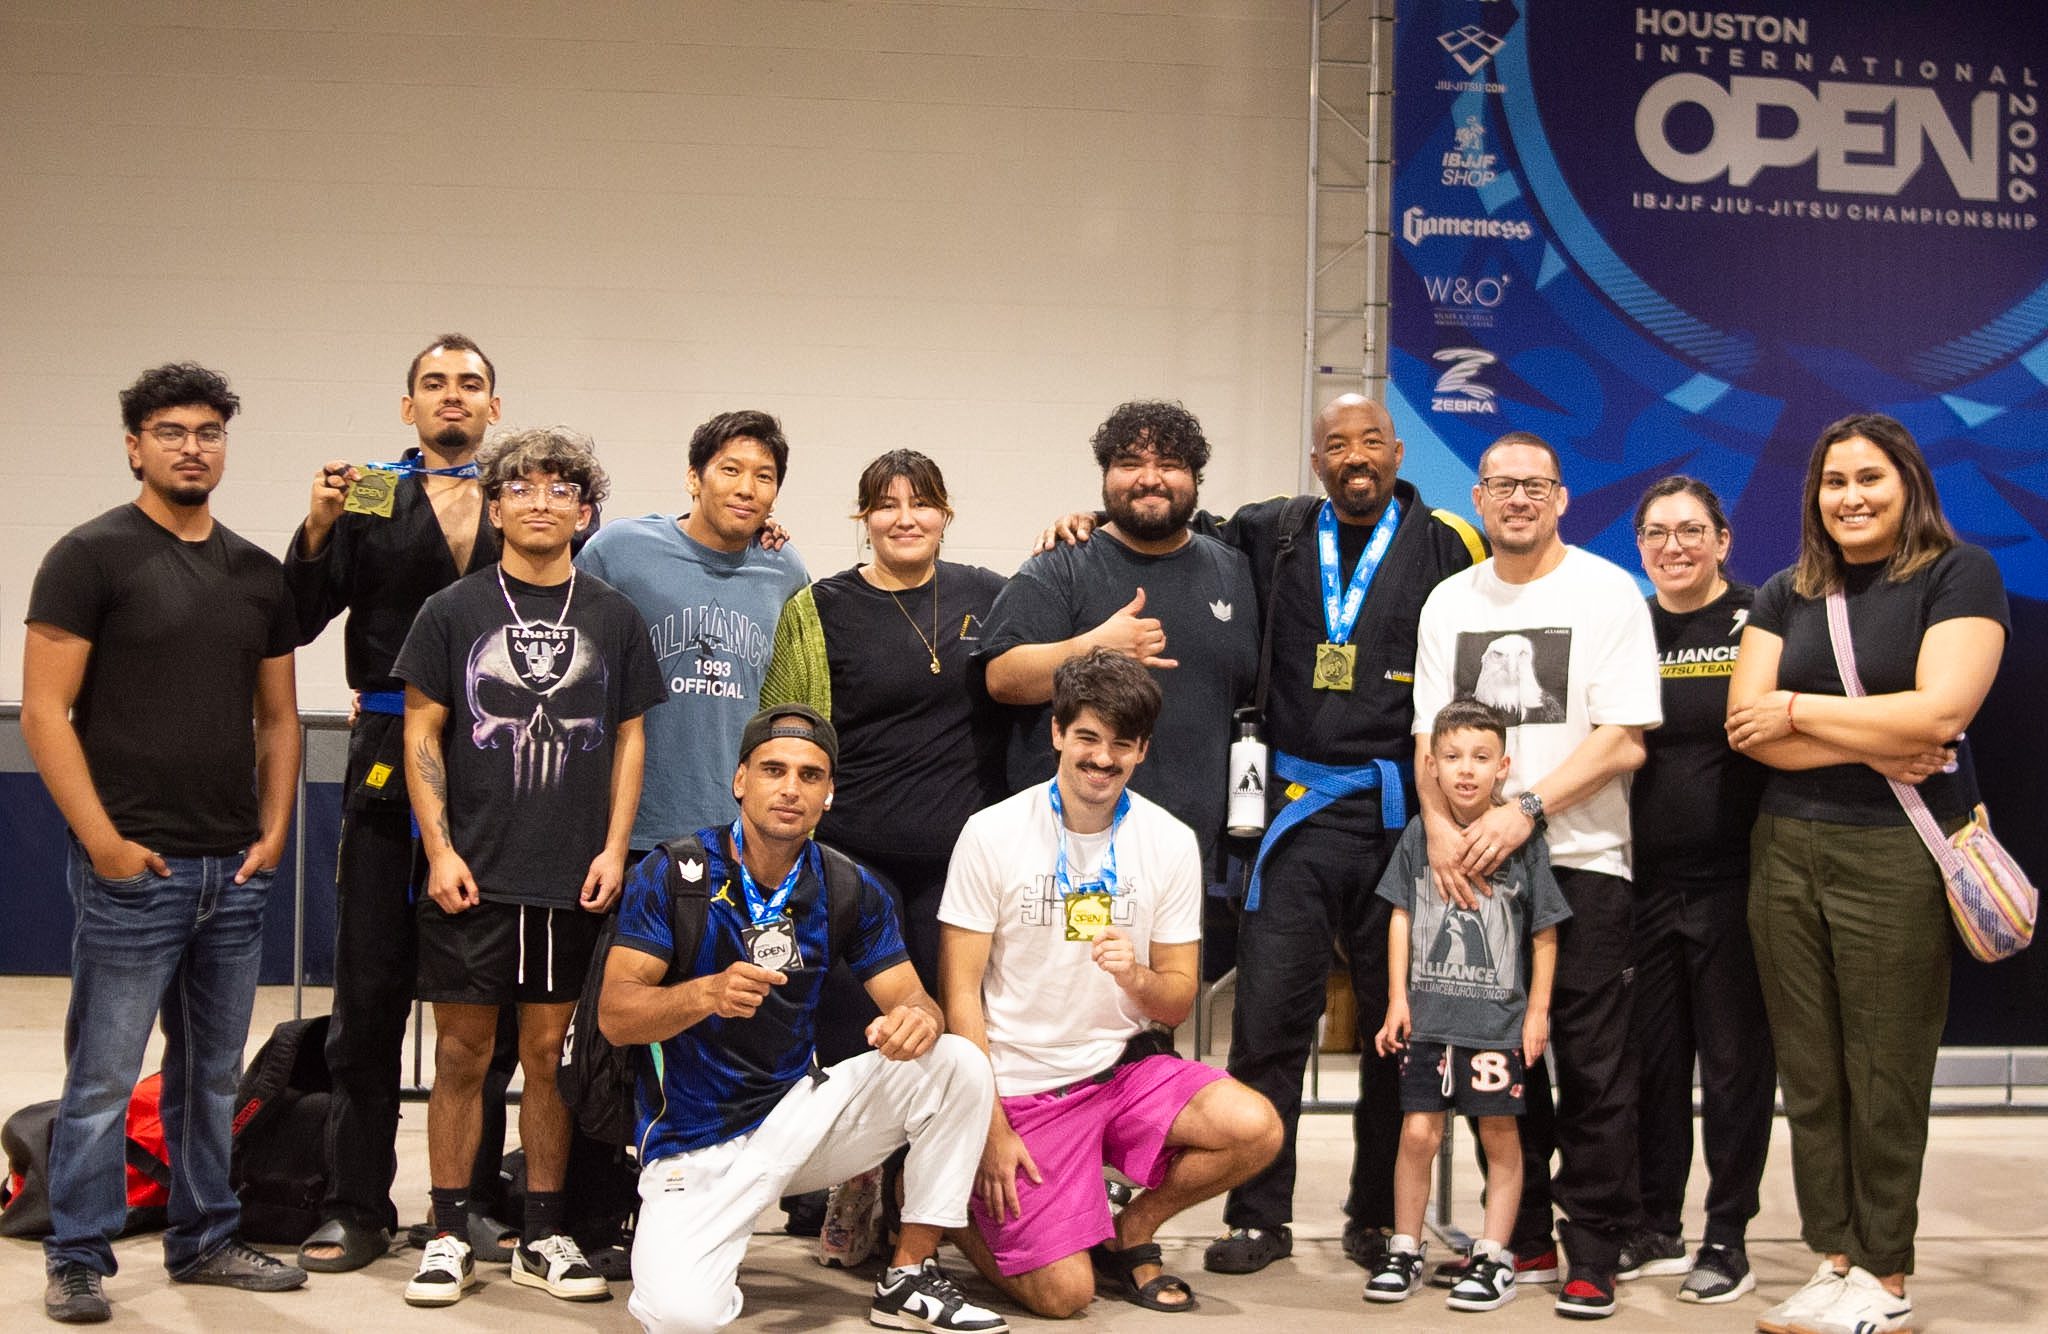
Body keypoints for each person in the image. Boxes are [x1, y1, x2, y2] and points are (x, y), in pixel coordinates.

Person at [25, 363, 306, 1322]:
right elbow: (46, 713)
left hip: (234, 870)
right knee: (103, 1074)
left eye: (209, 431)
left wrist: (273, 832)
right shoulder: (89, 556)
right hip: (131, 868)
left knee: (211, 1073)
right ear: (134, 444)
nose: (193, 446)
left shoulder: (258, 574)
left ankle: (207, 1238)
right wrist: (101, 840)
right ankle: (78, 1255)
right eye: (171, 430)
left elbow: (279, 720)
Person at [1726, 413, 2008, 1334]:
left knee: (1884, 1072)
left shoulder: (1958, 576)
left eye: (1869, 478)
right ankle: (1831, 1259)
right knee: (1809, 1075)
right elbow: (1746, 730)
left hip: (1899, 854)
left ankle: (1884, 1277)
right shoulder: (1783, 592)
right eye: (1833, 481)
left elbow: (1938, 717)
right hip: (1785, 852)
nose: (1850, 496)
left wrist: (1802, 711)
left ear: (1909, 483)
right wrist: (1873, 737)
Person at [599, 705, 1006, 1334]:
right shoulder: (673, 872)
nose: (791, 788)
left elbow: (911, 996)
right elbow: (616, 1015)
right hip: (695, 1142)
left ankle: (909, 1274)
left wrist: (917, 1020)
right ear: (740, 781)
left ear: (829, 794)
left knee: (957, 1062)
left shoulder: (849, 885)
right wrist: (704, 993)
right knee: (681, 1317)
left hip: (796, 1118)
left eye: (810, 776)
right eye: (773, 770)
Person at [392, 428, 666, 1307]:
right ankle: (445, 1229)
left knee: (550, 1054)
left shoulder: (613, 616)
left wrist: (615, 847)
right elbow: (422, 728)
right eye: (523, 486)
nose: (541, 501)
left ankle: (543, 1231)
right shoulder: (453, 610)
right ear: (497, 502)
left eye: (561, 489)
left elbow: (629, 736)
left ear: (585, 511)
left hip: (569, 874)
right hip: (471, 873)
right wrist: (438, 850)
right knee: (465, 1055)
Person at [938, 649, 1283, 1318]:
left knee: (1255, 1126)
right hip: (1022, 1087)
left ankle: (1130, 1229)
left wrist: (1138, 976)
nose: (1102, 759)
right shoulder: (992, 834)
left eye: (1120, 744)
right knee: (1065, 1297)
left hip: (1120, 1074)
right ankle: (945, 1207)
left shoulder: (1170, 841)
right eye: (1088, 738)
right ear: (1058, 734)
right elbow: (961, 997)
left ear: (1142, 750)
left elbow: (1179, 998)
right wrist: (988, 1125)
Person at [284, 333, 526, 1270]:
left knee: (488, 991)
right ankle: (354, 1204)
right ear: (408, 407)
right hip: (389, 745)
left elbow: (615, 568)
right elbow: (301, 615)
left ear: (493, 407)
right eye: (434, 384)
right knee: (372, 981)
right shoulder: (372, 495)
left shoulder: (528, 497)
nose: (452, 398)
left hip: (508, 753)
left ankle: (463, 1202)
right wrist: (314, 527)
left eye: (470, 385)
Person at [1411, 430, 1662, 1320]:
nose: (1518, 498)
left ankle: (1594, 1246)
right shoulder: (1448, 602)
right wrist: (1441, 830)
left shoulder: (1607, 593)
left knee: (1594, 1064)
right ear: (1478, 498)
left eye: (1536, 485)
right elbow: (1427, 740)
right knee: (1496, 1063)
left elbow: (1625, 734)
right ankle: (1522, 1236)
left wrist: (1526, 812)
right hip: (1474, 873)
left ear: (1561, 498)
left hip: (1582, 860)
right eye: (1501, 485)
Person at [761, 448, 1009, 993]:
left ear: (944, 514)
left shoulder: (990, 594)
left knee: (954, 1020)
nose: (904, 519)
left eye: (921, 504)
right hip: (853, 855)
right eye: (886, 505)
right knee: (859, 1029)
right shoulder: (818, 608)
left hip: (961, 860)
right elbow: (782, 731)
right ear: (865, 518)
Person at [978, 400, 1258, 871]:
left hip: (1194, 859)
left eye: (1169, 464)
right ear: (1106, 475)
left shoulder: (1233, 568)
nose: (1150, 478)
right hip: (1065, 853)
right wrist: (1094, 647)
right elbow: (1001, 678)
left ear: (1195, 479)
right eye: (1130, 464)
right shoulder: (1063, 562)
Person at [1617, 477, 1773, 1303]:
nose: (1672, 546)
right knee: (1652, 1066)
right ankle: (1655, 1223)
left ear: (1723, 539)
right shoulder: (1627, 623)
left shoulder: (1762, 617)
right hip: (1643, 888)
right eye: (1654, 533)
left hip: (1736, 887)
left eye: (1689, 531)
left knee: (1737, 1069)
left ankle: (1728, 1234)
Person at [1368, 698, 1566, 1313]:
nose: (1466, 769)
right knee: (1418, 1133)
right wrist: (1397, 999)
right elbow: (1401, 915)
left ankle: (1494, 1254)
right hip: (1428, 1020)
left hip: (1496, 1023)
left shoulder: (1523, 841)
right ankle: (1404, 1245)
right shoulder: (1416, 838)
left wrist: (1537, 1014)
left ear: (1503, 765)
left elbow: (1545, 931)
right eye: (1452, 757)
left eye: (1481, 757)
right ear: (1431, 764)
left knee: (1500, 1135)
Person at [574, 409, 810, 856]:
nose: (746, 488)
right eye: (730, 470)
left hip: (738, 834)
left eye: (764, 476)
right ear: (693, 478)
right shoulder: (619, 551)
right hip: (629, 831)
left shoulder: (785, 568)